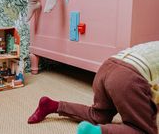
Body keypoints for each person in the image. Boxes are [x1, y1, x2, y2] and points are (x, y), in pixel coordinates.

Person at [27, 41, 159, 134]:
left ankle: (52, 105)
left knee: (98, 115)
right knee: (143, 129)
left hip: (106, 68)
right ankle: (97, 132)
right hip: (127, 77)